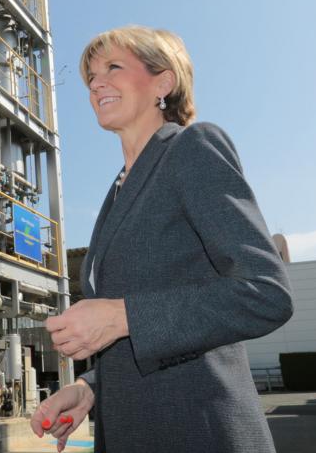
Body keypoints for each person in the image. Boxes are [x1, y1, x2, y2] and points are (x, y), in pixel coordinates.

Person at [30, 25, 292, 453]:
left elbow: (266, 293)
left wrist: (120, 317)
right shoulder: (119, 189)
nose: (97, 82)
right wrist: (91, 388)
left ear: (163, 82)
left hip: (200, 431)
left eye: (113, 67)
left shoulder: (192, 148)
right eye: (91, 76)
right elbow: (159, 324)